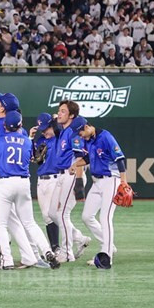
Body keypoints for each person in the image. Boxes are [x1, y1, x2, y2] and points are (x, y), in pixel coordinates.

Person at [0, 111, 60, 270]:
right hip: (24, 182)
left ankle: (7, 260)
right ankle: (47, 251)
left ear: (4, 125)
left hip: (5, 183)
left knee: (1, 224)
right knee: (30, 223)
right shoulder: (27, 141)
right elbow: (35, 158)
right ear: (20, 125)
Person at [70, 117, 129, 269]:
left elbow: (120, 159)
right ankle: (109, 246)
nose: (80, 135)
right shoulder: (89, 140)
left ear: (87, 126)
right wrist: (76, 164)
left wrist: (123, 182)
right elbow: (89, 157)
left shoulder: (106, 137)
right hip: (96, 182)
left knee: (105, 217)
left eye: (81, 131)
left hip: (111, 180)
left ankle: (106, 257)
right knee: (86, 216)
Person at [51, 100, 92, 262]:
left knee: (62, 214)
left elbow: (81, 158)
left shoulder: (74, 134)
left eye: (63, 111)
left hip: (72, 174)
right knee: (52, 213)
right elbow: (56, 124)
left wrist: (79, 183)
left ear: (72, 116)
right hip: (61, 175)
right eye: (59, 110)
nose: (59, 113)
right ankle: (79, 238)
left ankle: (67, 253)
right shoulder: (63, 130)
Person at [28, 112, 62, 255]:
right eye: (42, 129)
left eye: (47, 128)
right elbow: (31, 156)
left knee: (54, 215)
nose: (45, 132)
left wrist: (55, 121)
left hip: (55, 180)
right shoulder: (41, 140)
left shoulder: (59, 138)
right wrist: (30, 138)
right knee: (46, 216)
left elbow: (61, 129)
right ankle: (56, 246)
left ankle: (60, 247)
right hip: (42, 181)